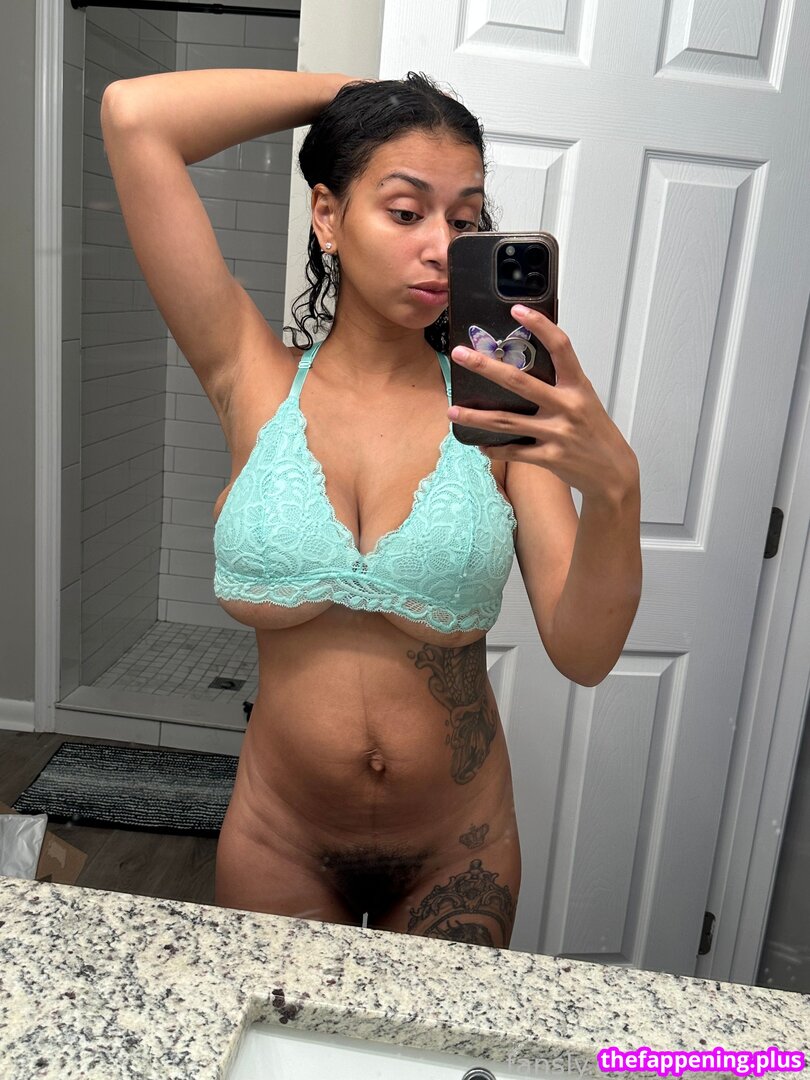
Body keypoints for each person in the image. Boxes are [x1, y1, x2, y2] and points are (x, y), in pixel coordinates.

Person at [100, 69, 642, 948]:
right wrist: (361, 95)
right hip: (279, 839)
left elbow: (584, 654)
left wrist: (617, 489)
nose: (439, 247)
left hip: (456, 853)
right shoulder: (253, 379)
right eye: (405, 210)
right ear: (328, 216)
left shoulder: (499, 419)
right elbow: (135, 118)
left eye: (463, 221)